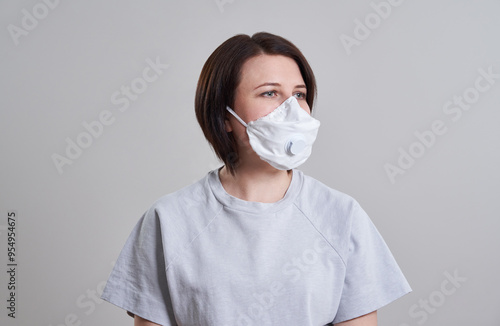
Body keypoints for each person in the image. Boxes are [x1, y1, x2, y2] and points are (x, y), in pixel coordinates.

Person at [101, 32, 411, 326]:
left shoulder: (342, 216)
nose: (291, 109)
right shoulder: (168, 221)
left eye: (299, 94)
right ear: (224, 117)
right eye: (270, 93)